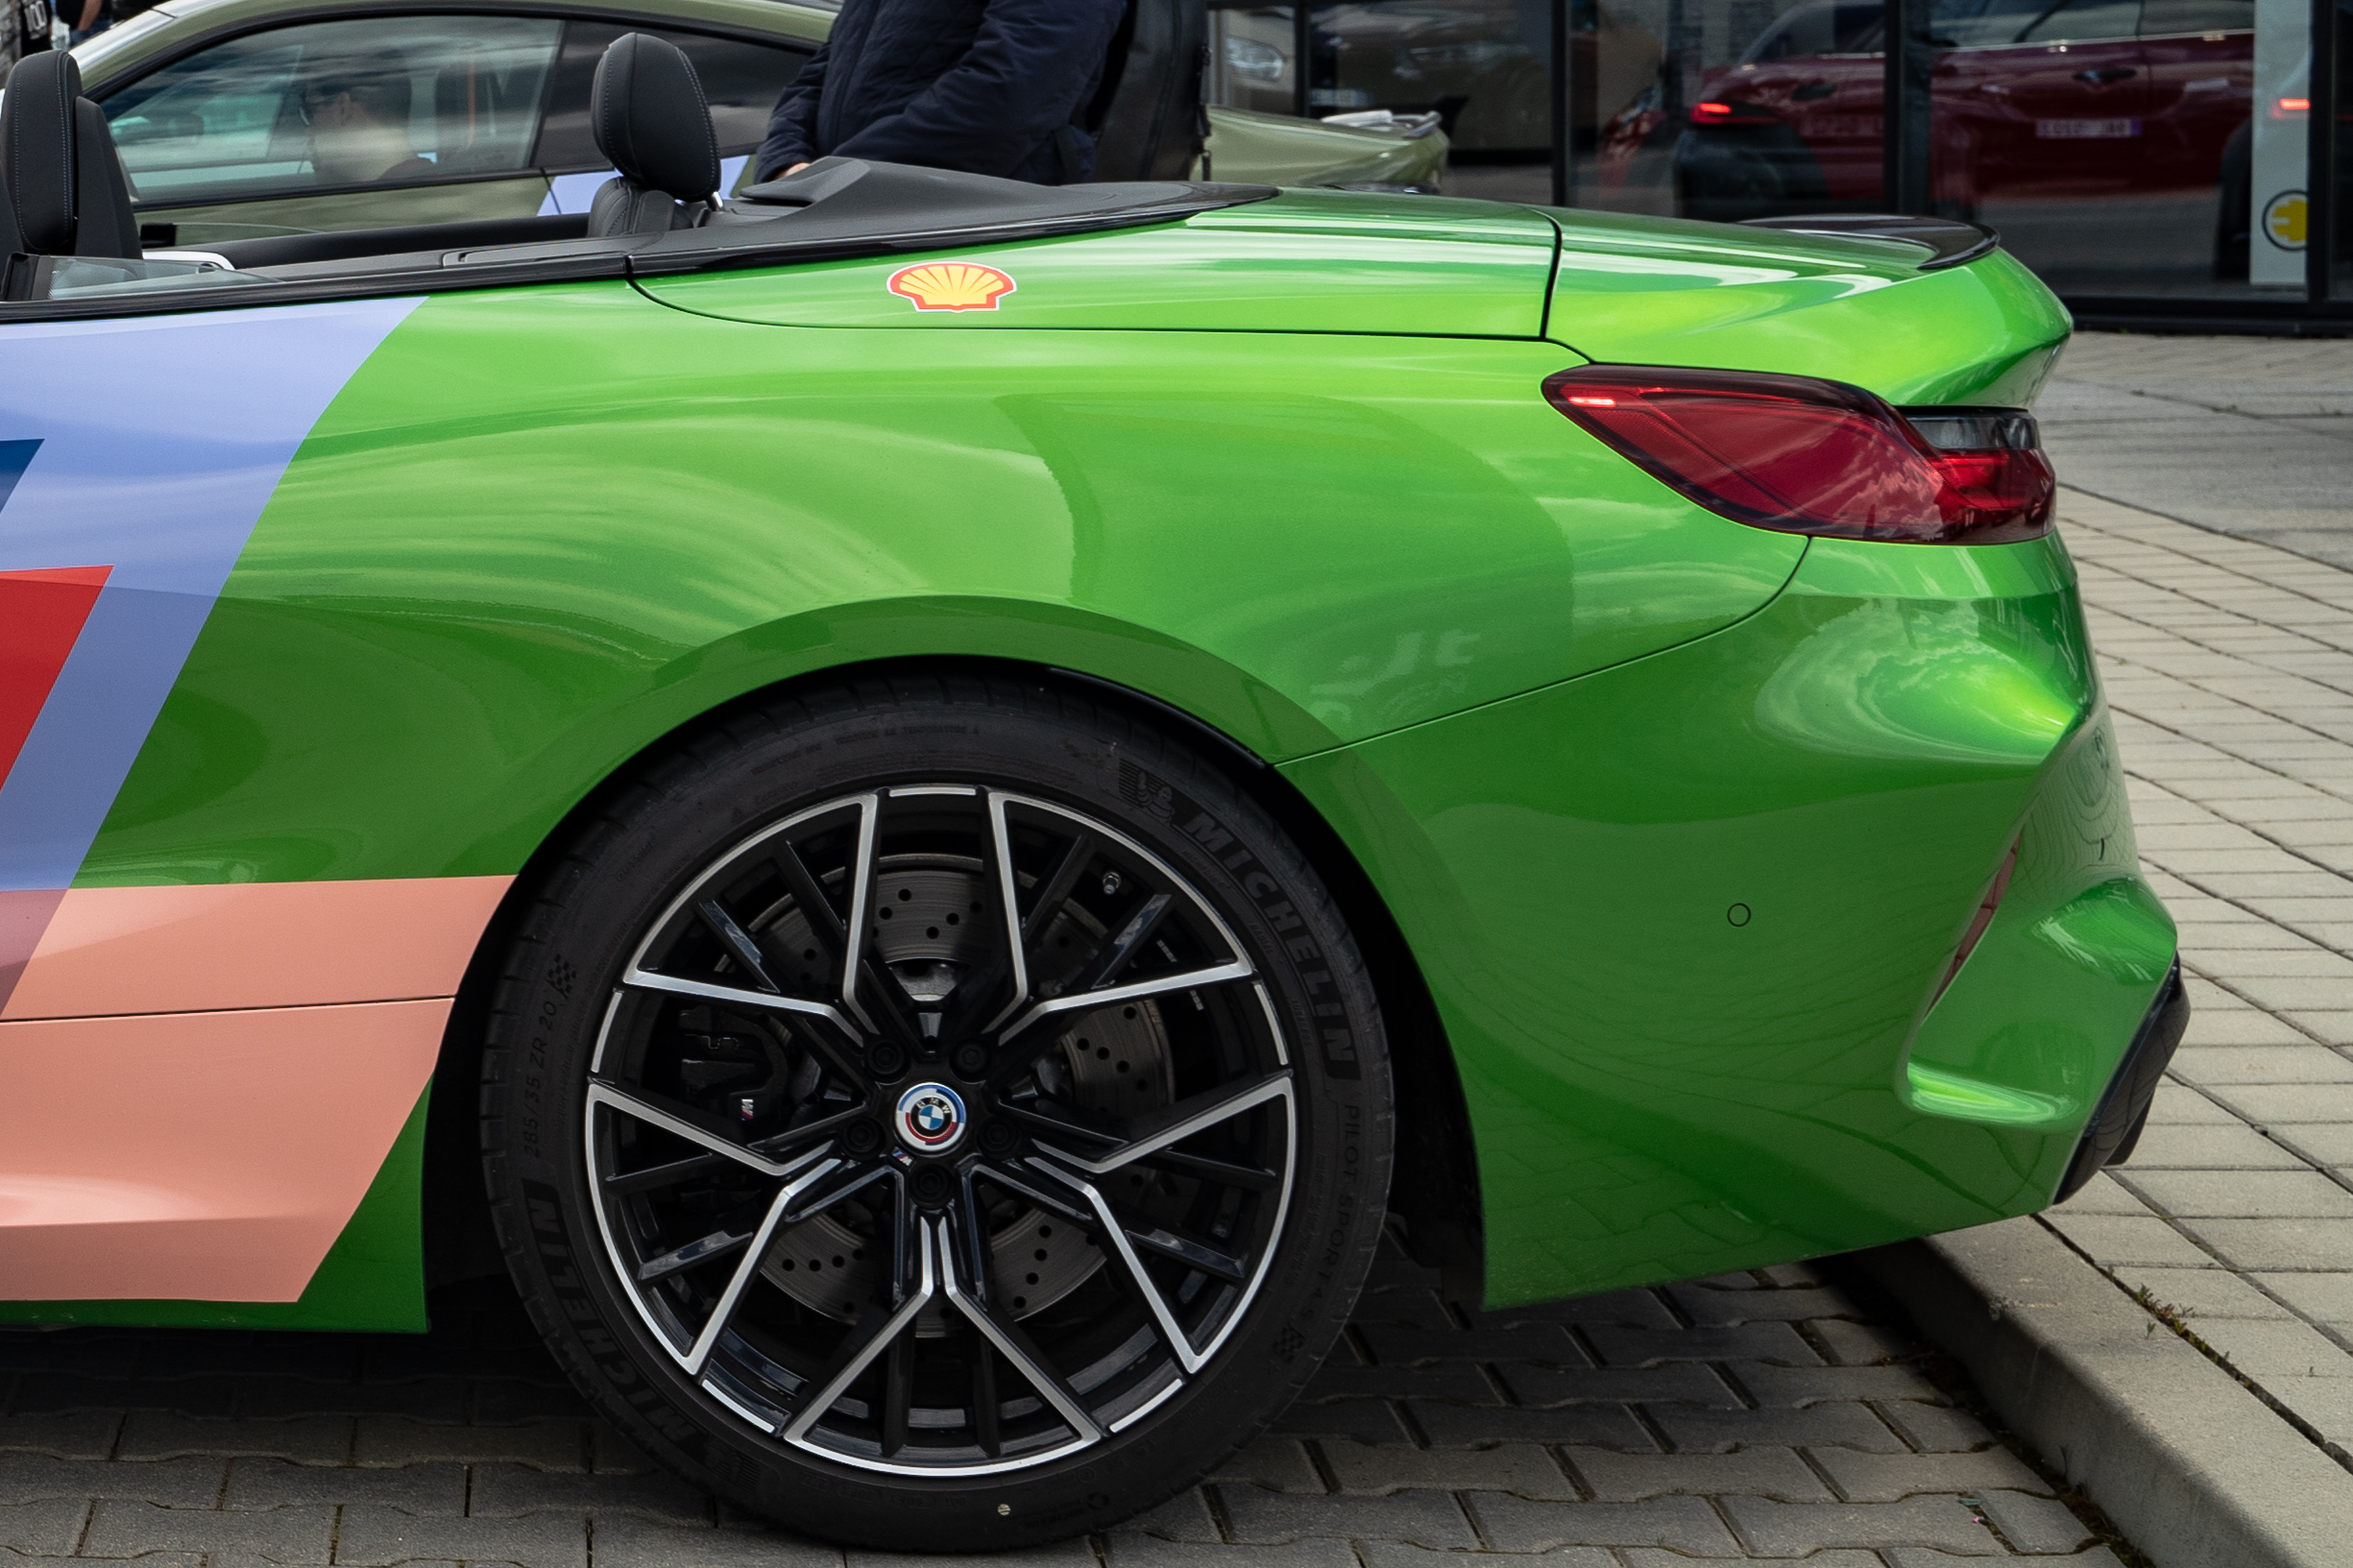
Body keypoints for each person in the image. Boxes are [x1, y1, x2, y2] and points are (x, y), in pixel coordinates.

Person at [754, 0, 1128, 187]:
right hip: (850, 210)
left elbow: (1011, 94)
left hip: (977, 226)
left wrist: (835, 181)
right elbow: (823, 69)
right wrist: (787, 163)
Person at [299, 54, 433, 186]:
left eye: (310, 113)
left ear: (343, 108)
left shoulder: (382, 197)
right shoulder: (432, 183)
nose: (308, 131)